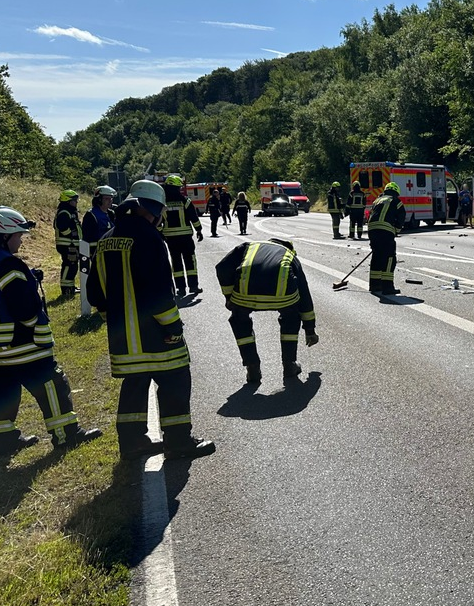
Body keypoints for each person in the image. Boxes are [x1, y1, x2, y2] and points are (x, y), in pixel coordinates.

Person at [0, 206, 102, 457]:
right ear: (3, 236)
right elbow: (24, 307)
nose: (21, 240)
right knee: (52, 384)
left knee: (0, 393)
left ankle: (3, 442)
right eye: (18, 235)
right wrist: (34, 319)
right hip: (22, 343)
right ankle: (66, 435)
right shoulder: (8, 264)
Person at [87, 180, 215, 460]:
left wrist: (114, 319)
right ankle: (179, 442)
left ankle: (132, 442)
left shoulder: (106, 239)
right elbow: (159, 292)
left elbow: (94, 292)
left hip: (123, 338)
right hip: (155, 335)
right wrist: (173, 327)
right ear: (151, 210)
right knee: (175, 380)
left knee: (134, 385)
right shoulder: (149, 239)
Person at [216, 239, 318, 385]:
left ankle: (252, 367)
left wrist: (229, 297)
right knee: (291, 317)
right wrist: (310, 329)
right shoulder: (290, 256)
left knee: (239, 319)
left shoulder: (249, 247)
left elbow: (222, 267)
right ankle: (289, 365)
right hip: (283, 296)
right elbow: (304, 295)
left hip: (245, 295)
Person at [160, 174, 203, 297]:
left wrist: (160, 233)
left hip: (170, 238)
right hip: (185, 236)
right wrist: (199, 230)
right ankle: (193, 286)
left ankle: (181, 288)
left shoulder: (162, 203)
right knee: (190, 261)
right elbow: (194, 217)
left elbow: (158, 220)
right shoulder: (185, 201)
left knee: (176, 262)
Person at [368, 181, 405, 295]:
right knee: (389, 258)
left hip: (372, 230)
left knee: (377, 256)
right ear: (396, 192)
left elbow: (371, 214)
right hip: (385, 231)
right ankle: (387, 287)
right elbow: (401, 216)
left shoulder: (377, 200)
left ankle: (374, 285)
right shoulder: (396, 201)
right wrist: (396, 230)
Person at [54, 189, 81, 298]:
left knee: (72, 266)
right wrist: (71, 234)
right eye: (74, 200)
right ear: (68, 201)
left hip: (71, 244)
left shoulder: (70, 211)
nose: (76, 202)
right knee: (68, 266)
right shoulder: (64, 212)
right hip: (67, 244)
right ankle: (66, 289)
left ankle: (71, 287)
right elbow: (62, 227)